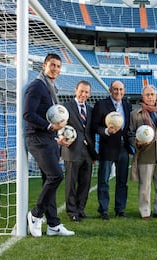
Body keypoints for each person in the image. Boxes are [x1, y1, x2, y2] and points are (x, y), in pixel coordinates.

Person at [23, 53, 75, 237]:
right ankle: (36, 215)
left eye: (59, 66)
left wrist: (56, 135)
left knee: (49, 179)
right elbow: (28, 114)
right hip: (37, 138)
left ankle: (53, 225)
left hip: (49, 138)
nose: (56, 69)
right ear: (44, 65)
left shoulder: (51, 87)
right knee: (56, 176)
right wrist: (50, 126)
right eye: (52, 65)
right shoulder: (37, 86)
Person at [128, 85, 157, 220]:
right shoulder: (135, 114)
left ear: (156, 96)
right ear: (143, 97)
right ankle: (145, 212)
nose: (150, 97)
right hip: (144, 155)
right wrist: (136, 142)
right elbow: (130, 134)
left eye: (152, 94)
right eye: (147, 94)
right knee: (145, 186)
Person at [92, 80, 133, 220]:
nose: (118, 92)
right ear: (110, 90)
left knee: (122, 181)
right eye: (115, 89)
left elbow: (128, 128)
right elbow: (95, 126)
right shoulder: (101, 104)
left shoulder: (127, 106)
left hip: (123, 149)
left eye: (121, 89)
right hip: (107, 148)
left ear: (124, 90)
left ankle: (120, 209)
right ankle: (103, 210)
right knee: (104, 180)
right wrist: (106, 131)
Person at [61, 80, 99, 222]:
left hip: (87, 152)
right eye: (81, 91)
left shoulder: (90, 110)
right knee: (71, 182)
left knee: (85, 182)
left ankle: (80, 209)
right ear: (75, 90)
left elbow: (90, 131)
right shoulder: (66, 107)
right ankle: (72, 212)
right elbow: (60, 126)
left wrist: (93, 152)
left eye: (86, 92)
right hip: (71, 150)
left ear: (89, 94)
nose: (83, 94)